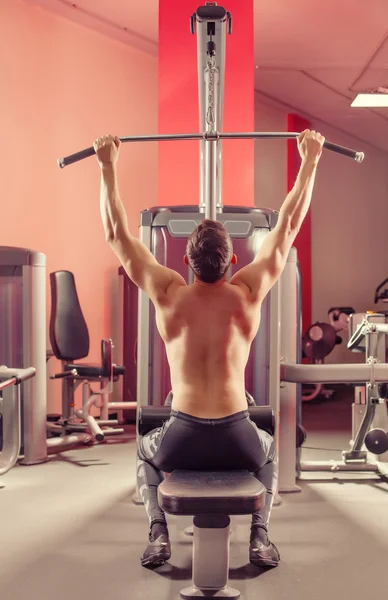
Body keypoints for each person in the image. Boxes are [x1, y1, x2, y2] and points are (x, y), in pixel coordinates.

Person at [94, 129, 325, 570]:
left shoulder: (168, 293)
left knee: (144, 448)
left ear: (185, 261)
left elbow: (115, 233)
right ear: (233, 260)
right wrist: (309, 159)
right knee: (271, 449)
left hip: (180, 435)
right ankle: (260, 538)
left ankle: (158, 532)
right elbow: (289, 224)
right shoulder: (248, 293)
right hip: (238, 435)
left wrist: (107, 165)